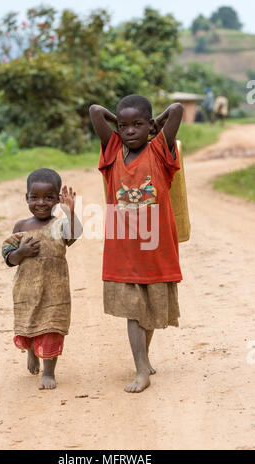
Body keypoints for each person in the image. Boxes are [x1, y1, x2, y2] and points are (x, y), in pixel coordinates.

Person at [89, 95, 184, 393]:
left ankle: (144, 357)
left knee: (152, 309)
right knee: (134, 310)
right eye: (124, 125)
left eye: (138, 124)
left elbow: (178, 110)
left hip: (155, 246)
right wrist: (112, 122)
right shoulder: (113, 151)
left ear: (150, 126)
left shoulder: (159, 150)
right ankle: (141, 368)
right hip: (123, 248)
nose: (130, 131)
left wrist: (160, 122)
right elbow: (94, 111)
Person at [2, 168, 81, 390]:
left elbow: (74, 235)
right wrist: (21, 252)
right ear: (26, 198)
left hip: (55, 291)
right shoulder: (21, 227)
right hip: (26, 290)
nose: (41, 203)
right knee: (30, 325)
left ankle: (49, 372)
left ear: (58, 199)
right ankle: (31, 352)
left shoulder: (60, 224)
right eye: (35, 197)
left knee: (51, 329)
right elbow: (9, 258)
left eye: (49, 197)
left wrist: (71, 213)